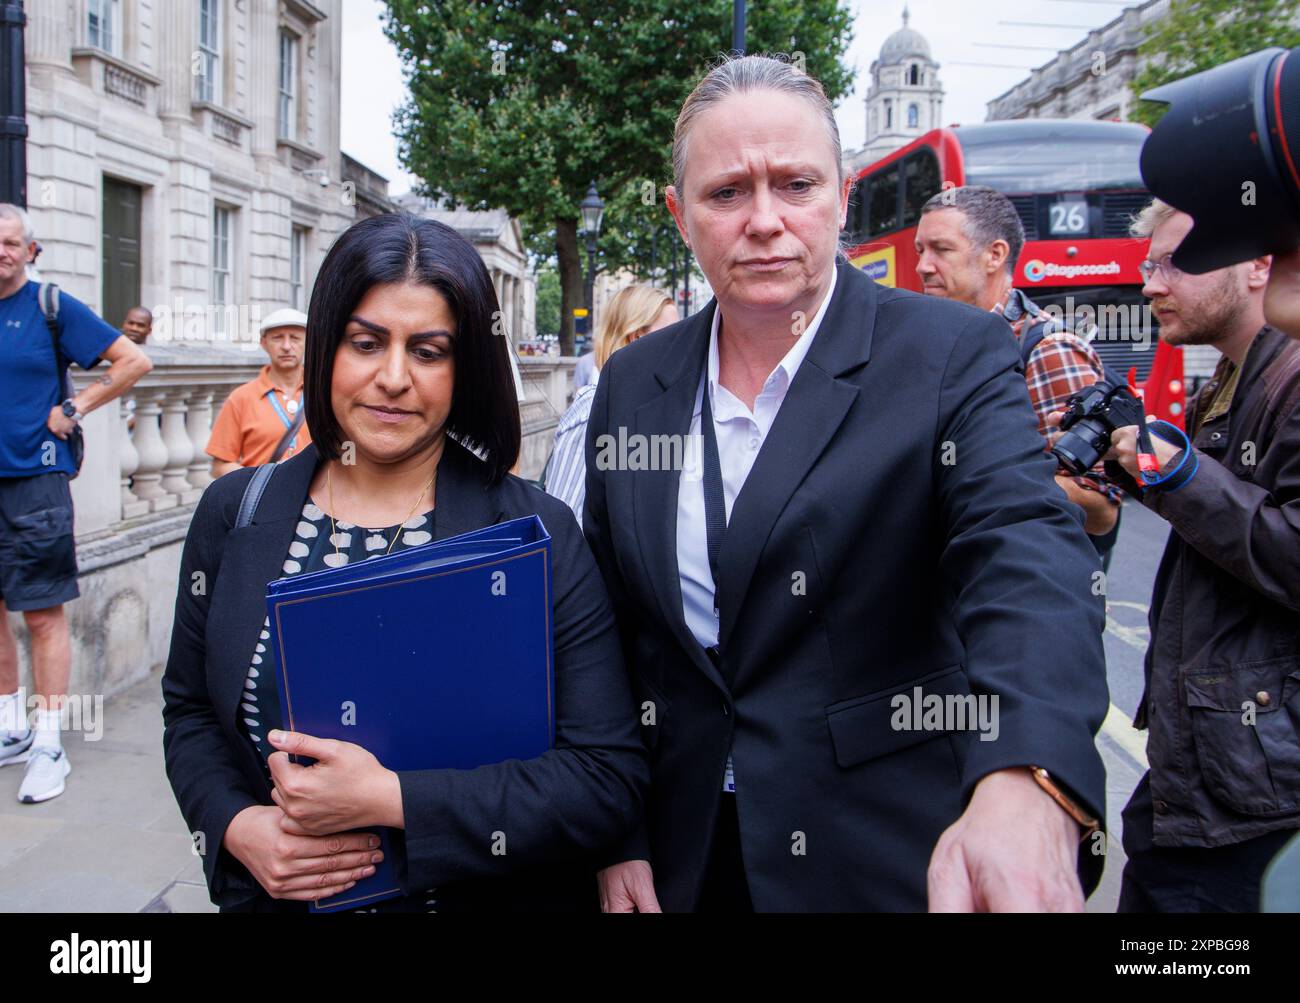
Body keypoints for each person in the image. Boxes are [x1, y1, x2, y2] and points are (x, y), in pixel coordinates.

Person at [585, 55, 1109, 913]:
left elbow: (1026, 555)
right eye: (726, 193)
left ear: (842, 194)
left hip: (881, 858)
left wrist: (1028, 774)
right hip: (677, 861)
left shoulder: (952, 356)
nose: (764, 221)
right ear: (681, 215)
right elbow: (608, 626)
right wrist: (617, 832)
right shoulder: (634, 381)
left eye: (795, 183)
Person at [162, 213, 646, 912]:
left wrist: (393, 798)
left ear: (466, 366)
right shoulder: (234, 512)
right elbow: (189, 712)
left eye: (428, 351)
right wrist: (237, 827)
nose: (393, 378)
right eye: (366, 343)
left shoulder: (535, 532)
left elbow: (604, 776)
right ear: (328, 345)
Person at [1098, 200, 1300, 912]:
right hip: (1199, 779)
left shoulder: (1293, 380)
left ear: (1257, 264)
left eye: (1173, 263)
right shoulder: (1229, 380)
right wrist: (1142, 471)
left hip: (1257, 804)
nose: (1150, 284)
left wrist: (1180, 473)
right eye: (1148, 264)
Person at [0, 203, 152, 802]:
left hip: (35, 484)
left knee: (40, 613)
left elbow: (132, 360)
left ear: (30, 251)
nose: (2, 252)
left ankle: (48, 744)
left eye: (13, 243)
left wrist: (75, 409)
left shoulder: (49, 307)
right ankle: (10, 725)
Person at [915, 186, 1121, 556]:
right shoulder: (936, 340)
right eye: (921, 250)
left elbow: (1101, 509)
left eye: (941, 249)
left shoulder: (1050, 349)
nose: (923, 266)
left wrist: (973, 478)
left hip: (1022, 580)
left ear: (994, 255)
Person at [547, 284, 676, 519]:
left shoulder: (655, 408)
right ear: (637, 337)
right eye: (673, 334)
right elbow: (562, 524)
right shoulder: (592, 409)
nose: (682, 344)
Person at [206, 308, 312, 477]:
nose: (286, 346)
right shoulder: (241, 398)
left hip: (314, 501)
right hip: (263, 499)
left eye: (295, 338)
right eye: (277, 338)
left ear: (308, 342)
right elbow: (220, 467)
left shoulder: (322, 394)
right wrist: (262, 480)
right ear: (263, 343)